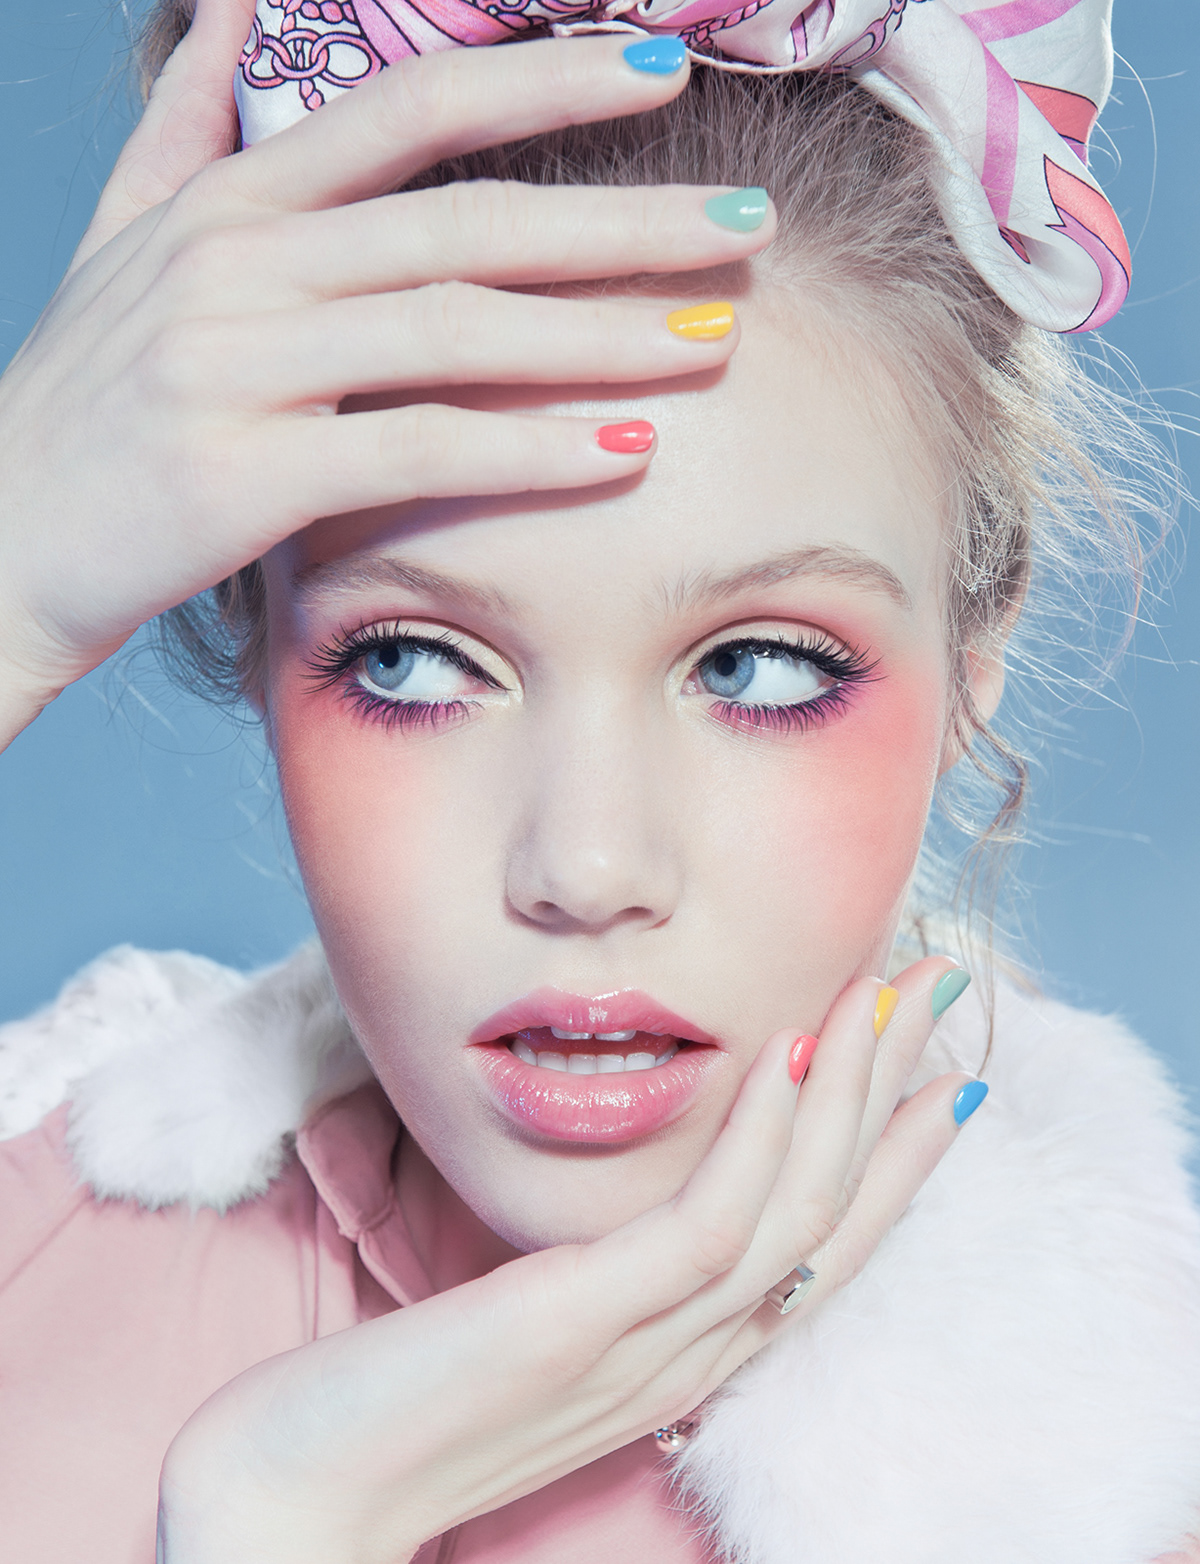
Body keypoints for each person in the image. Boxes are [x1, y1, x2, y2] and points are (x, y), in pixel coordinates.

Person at [1, 1, 1198, 1560]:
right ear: (250, 627)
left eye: (760, 666)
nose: (587, 863)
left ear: (976, 653)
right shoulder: (41, 1222)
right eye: (417, 662)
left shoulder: (1142, 1456)